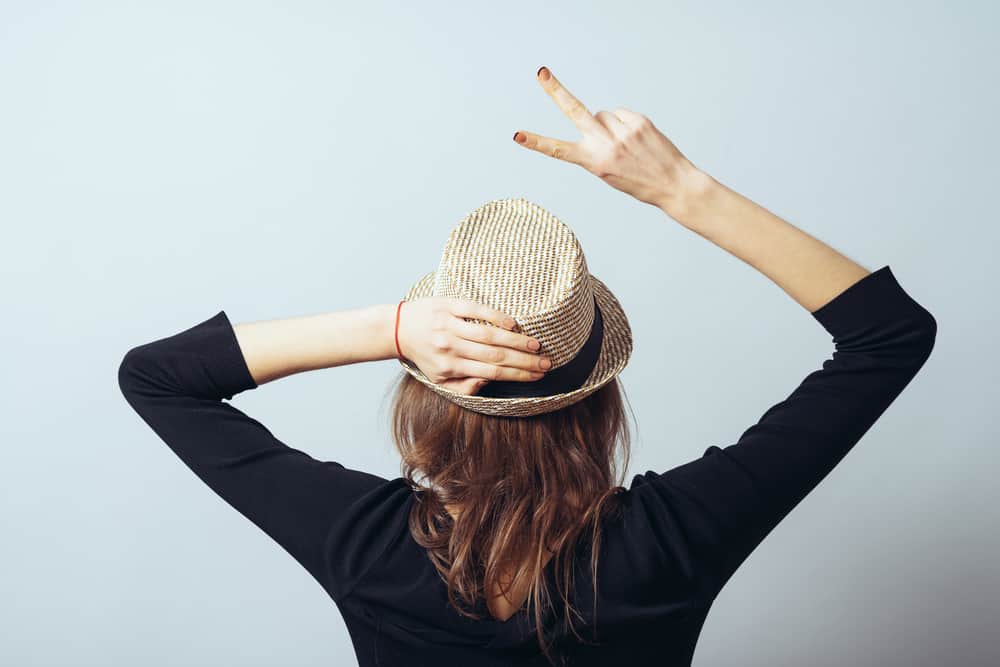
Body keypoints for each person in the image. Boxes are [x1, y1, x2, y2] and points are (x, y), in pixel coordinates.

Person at [117, 66, 937, 666]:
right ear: (599, 393)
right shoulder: (675, 540)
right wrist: (682, 189)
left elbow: (157, 377)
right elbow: (888, 336)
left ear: (427, 390)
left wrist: (393, 325)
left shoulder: (364, 546)